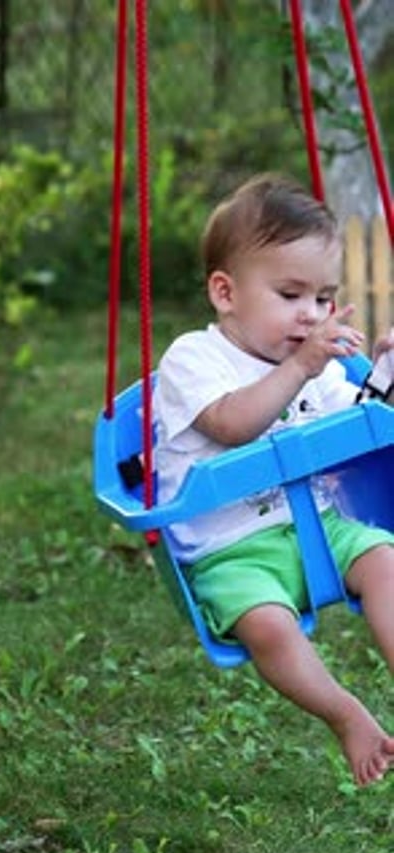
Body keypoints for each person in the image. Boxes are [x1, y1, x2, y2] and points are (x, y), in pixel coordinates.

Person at [153, 172, 394, 787]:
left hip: (323, 521)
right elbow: (233, 424)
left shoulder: (318, 363)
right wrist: (303, 364)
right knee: (265, 625)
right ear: (225, 292)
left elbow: (358, 425)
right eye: (291, 295)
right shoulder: (192, 360)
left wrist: (387, 379)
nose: (311, 315)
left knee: (386, 563)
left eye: (323, 298)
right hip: (233, 548)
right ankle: (346, 715)